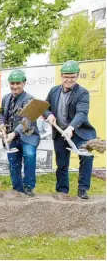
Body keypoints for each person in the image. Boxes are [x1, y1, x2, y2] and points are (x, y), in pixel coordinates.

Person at [43, 60, 96, 200]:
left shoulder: (82, 93)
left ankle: (83, 189)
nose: (69, 79)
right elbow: (45, 107)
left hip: (79, 133)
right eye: (66, 76)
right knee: (62, 163)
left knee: (86, 157)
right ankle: (62, 192)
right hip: (60, 133)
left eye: (72, 76)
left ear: (77, 76)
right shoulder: (54, 91)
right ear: (61, 76)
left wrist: (71, 127)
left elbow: (82, 113)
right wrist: (49, 115)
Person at [0, 69, 40, 196]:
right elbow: (1, 113)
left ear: (24, 83)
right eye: (12, 83)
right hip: (11, 138)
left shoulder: (30, 99)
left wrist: (14, 133)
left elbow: (27, 120)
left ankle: (28, 187)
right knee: (13, 163)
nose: (14, 86)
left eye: (18, 83)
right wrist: (1, 124)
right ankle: (17, 190)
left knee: (29, 155)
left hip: (28, 136)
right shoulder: (6, 98)